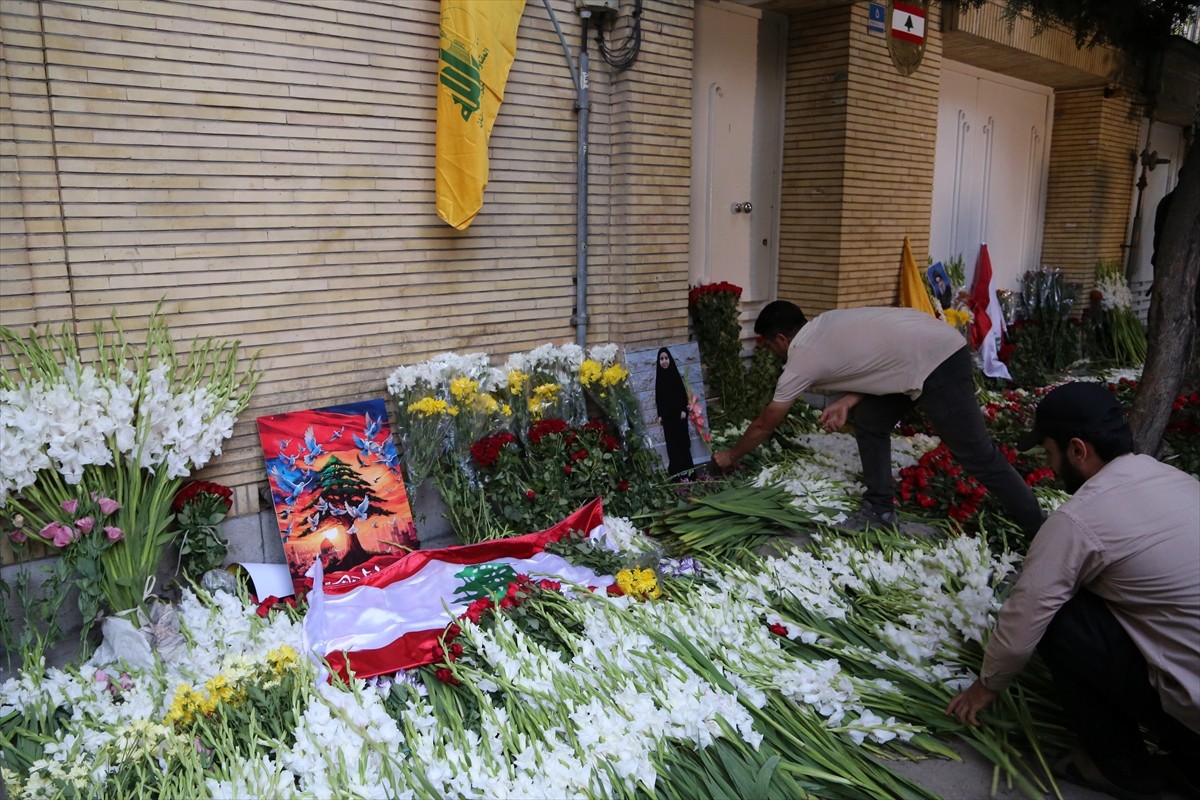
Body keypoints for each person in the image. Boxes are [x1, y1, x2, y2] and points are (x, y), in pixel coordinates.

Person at [946, 382, 1199, 799]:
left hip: (1194, 722)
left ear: (1077, 450)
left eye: (1049, 452)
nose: (1049, 465)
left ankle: (1121, 768)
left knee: (1058, 618)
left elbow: (1026, 615)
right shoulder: (1172, 479)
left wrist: (984, 687)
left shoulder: (1079, 518)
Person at [712, 301, 1043, 535]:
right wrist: (848, 401)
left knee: (977, 454)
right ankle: (879, 510)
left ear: (782, 339)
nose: (771, 354)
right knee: (870, 419)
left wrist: (729, 456)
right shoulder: (824, 325)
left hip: (938, 360)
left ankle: (1039, 529)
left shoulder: (802, 356)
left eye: (769, 347)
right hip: (924, 346)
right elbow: (877, 360)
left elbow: (764, 424)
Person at [655, 347, 694, 478]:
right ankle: (676, 474)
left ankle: (688, 472)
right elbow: (658, 399)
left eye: (666, 358)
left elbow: (682, 395)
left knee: (682, 444)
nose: (664, 361)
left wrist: (683, 410)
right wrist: (660, 415)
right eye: (661, 359)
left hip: (679, 417)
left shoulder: (675, 376)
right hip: (667, 419)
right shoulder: (659, 379)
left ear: (670, 360)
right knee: (672, 446)